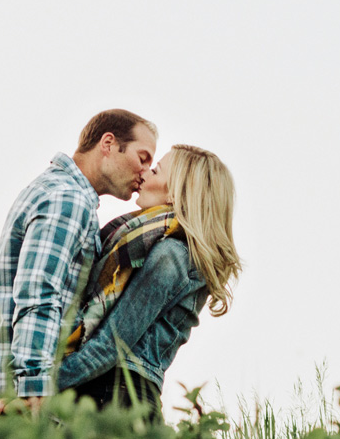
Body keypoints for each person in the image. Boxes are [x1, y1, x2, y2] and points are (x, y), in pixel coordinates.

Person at [0, 109, 157, 414]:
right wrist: (34, 385)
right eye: (143, 157)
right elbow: (39, 292)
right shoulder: (68, 198)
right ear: (108, 144)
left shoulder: (60, 190)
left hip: (6, 387)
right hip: (18, 395)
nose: (145, 172)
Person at [54, 145, 241, 420]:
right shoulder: (166, 246)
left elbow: (111, 344)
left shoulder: (172, 255)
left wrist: (39, 389)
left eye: (155, 170)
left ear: (179, 190)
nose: (143, 174)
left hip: (115, 396)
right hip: (123, 394)